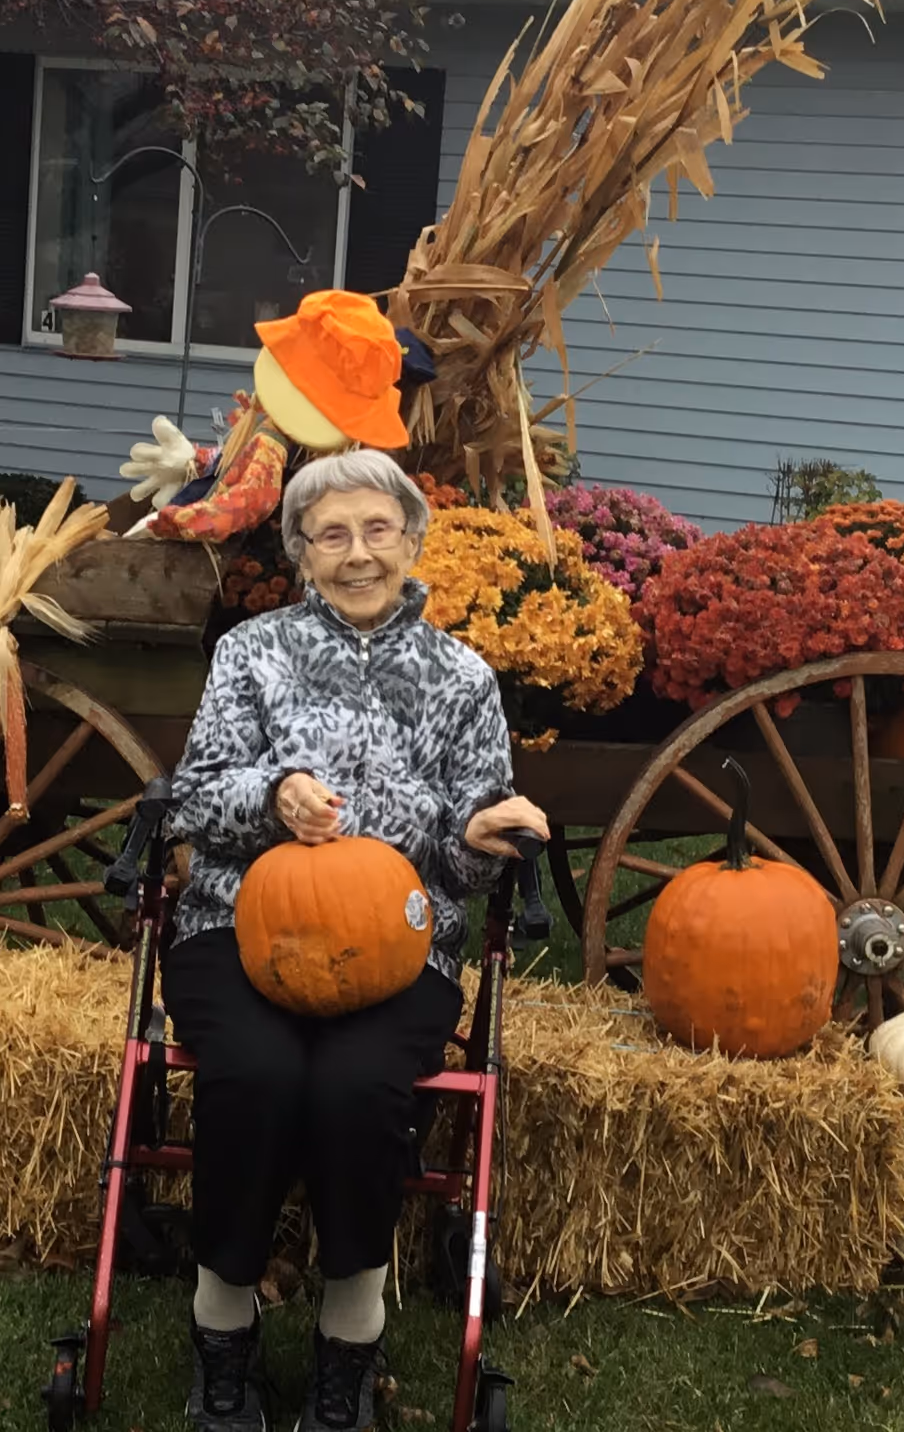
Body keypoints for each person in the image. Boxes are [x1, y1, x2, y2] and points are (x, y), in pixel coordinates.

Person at [165, 447, 548, 1432]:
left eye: (378, 530)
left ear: (413, 541)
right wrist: (272, 791)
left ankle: (347, 1344)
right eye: (332, 533)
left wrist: (475, 836)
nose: (358, 553)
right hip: (241, 927)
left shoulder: (461, 676)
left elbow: (476, 834)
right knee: (251, 1076)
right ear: (300, 551)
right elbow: (197, 797)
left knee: (357, 1088)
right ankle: (223, 1337)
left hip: (398, 945)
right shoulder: (250, 654)